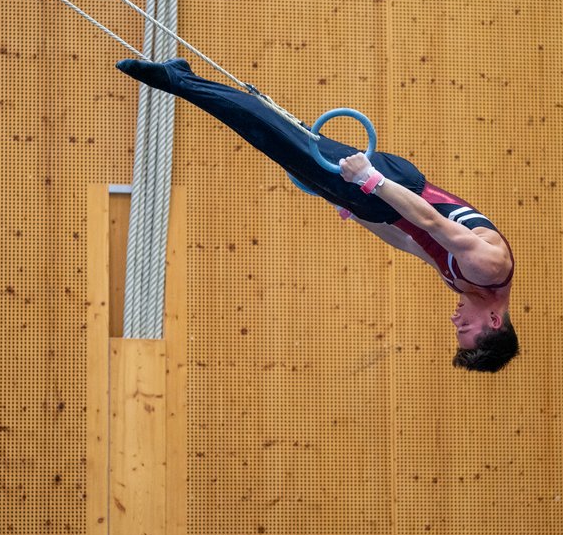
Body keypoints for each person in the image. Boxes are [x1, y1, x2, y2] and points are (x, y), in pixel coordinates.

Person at [116, 58, 519, 372]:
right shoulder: (487, 269)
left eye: (457, 330)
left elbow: (411, 240)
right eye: (465, 329)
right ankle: (179, 80)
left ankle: (184, 81)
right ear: (494, 322)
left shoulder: (466, 286)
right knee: (278, 138)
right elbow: (431, 221)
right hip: (397, 188)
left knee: (283, 143)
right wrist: (371, 180)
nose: (455, 322)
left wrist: (354, 209)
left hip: (381, 202)